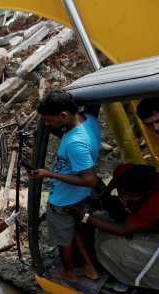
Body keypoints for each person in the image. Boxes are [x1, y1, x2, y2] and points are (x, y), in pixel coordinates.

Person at [65, 164, 159, 293]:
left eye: (132, 195)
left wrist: (84, 216)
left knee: (109, 246)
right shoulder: (123, 172)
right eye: (123, 191)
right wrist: (106, 193)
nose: (125, 197)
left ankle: (127, 275)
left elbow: (122, 230)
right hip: (137, 215)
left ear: (150, 190)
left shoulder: (156, 203)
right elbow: (116, 181)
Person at [28, 90, 101, 282]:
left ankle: (69, 273)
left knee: (63, 239)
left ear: (64, 115)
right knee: (74, 231)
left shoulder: (75, 143)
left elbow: (90, 180)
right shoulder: (90, 119)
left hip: (63, 200)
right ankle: (89, 268)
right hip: (79, 196)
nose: (46, 124)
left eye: (49, 120)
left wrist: (48, 173)